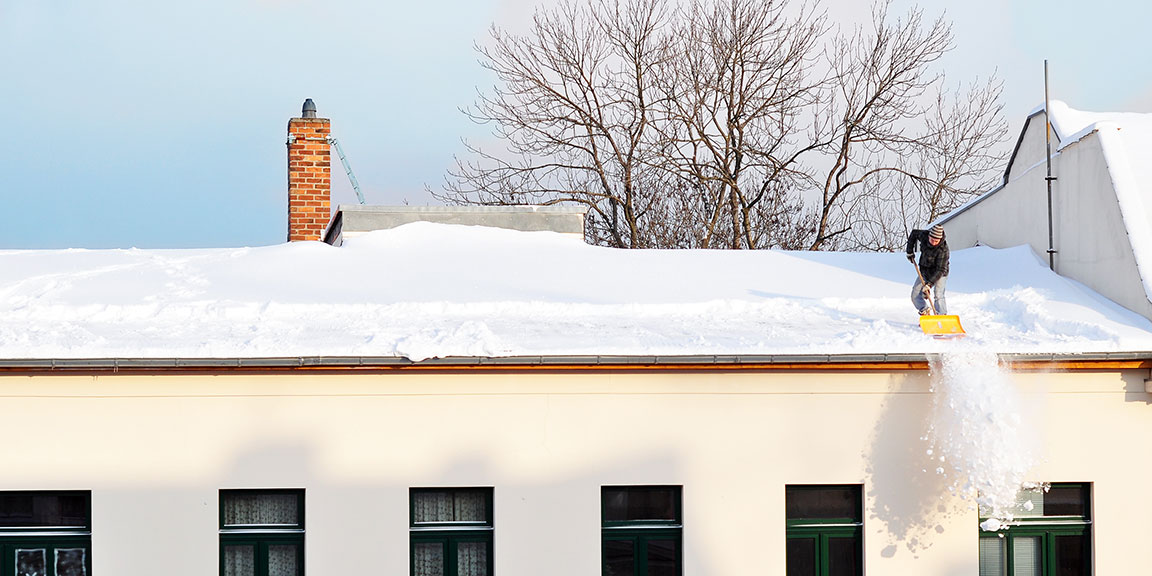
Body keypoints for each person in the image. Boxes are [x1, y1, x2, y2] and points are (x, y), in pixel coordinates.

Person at [906, 224, 949, 315]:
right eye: (932, 239)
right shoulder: (924, 236)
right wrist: (909, 251)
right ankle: (924, 311)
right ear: (929, 236)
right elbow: (914, 234)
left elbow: (941, 269)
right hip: (924, 270)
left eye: (936, 241)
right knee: (915, 295)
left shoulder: (943, 250)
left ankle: (941, 316)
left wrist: (929, 284)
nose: (933, 242)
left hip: (939, 274)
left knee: (938, 295)